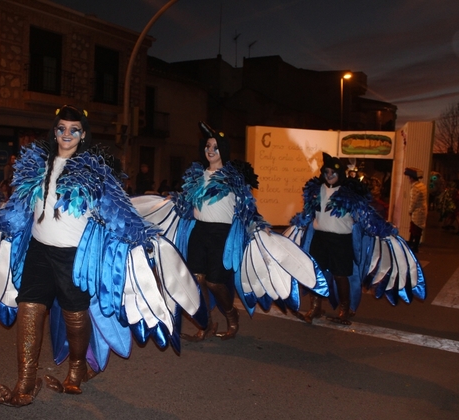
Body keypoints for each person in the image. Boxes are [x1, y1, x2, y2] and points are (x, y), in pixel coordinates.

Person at [0, 105, 203, 407]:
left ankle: (77, 369)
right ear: (54, 131)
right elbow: (21, 209)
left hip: (74, 257)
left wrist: (143, 237)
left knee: (75, 313)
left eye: (74, 129)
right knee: (28, 308)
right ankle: (25, 384)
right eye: (62, 128)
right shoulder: (37, 166)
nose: (67, 134)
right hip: (38, 250)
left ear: (83, 134)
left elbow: (119, 213)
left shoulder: (95, 173)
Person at [132, 122, 328, 341]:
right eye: (208, 145)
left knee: (215, 282)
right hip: (199, 231)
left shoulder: (234, 178)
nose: (210, 150)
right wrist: (173, 201)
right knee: (196, 279)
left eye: (215, 147)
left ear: (223, 151)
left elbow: (247, 209)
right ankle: (204, 323)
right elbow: (187, 205)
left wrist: (256, 228)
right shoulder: (197, 175)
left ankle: (232, 317)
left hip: (221, 234)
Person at [286, 153, 426, 325]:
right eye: (327, 172)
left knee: (340, 275)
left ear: (341, 174)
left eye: (333, 172)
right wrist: (298, 223)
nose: (329, 175)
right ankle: (316, 307)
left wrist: (385, 230)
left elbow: (366, 217)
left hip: (341, 241)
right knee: (316, 273)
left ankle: (344, 310)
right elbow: (308, 213)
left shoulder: (350, 194)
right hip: (320, 238)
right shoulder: (316, 190)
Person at [404, 167, 428, 253]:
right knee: (417, 229)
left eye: (408, 178)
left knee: (415, 229)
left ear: (411, 178)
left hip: (417, 211)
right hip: (422, 210)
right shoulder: (422, 186)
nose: (408, 179)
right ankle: (412, 244)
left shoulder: (415, 188)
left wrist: (410, 211)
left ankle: (414, 246)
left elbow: (413, 202)